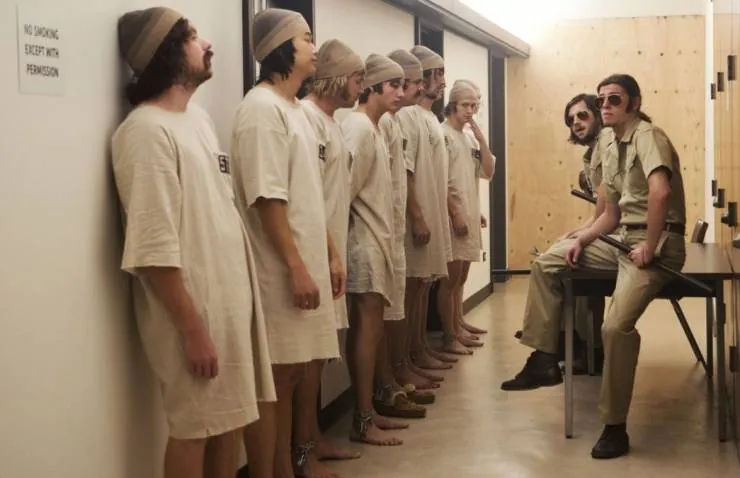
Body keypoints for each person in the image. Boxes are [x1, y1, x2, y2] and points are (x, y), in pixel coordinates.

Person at [111, 7, 274, 478]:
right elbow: (153, 247)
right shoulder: (145, 132)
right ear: (166, 52)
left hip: (228, 304)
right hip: (192, 313)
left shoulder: (197, 119)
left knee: (229, 422)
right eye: (193, 37)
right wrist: (192, 329)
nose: (206, 45)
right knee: (194, 428)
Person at [501, 74, 687, 460]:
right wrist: (583, 239)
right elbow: (611, 213)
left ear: (634, 102)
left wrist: (649, 246)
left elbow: (660, 192)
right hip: (621, 239)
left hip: (655, 244)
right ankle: (545, 357)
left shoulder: (648, 135)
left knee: (615, 327)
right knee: (549, 262)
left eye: (614, 99)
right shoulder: (612, 144)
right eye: (601, 100)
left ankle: (614, 427)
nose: (605, 106)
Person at [230, 8, 342, 477]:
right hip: (277, 269)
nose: (315, 48)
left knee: (294, 373)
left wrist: (330, 254)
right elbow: (267, 198)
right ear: (280, 47)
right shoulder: (261, 110)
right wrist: (296, 267)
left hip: (303, 261)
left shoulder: (294, 109)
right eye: (306, 38)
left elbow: (308, 195)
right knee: (274, 380)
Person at [298, 38, 366, 477]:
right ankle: (302, 448)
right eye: (357, 78)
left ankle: (314, 437)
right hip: (313, 255)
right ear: (337, 78)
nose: (362, 86)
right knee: (307, 358)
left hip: (331, 254)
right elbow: (304, 198)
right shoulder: (306, 119)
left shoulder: (332, 123)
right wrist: (325, 252)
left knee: (320, 355)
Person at [513, 93, 612, 373]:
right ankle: (584, 346)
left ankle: (546, 347)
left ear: (597, 115)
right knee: (569, 255)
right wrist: (576, 232)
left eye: (582, 115)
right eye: (571, 120)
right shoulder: (593, 152)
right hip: (615, 231)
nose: (576, 123)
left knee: (547, 264)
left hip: (625, 238)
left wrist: (582, 235)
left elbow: (609, 212)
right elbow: (602, 212)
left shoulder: (607, 145)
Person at [340, 53, 406, 446]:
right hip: (363, 243)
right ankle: (362, 419)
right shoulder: (358, 129)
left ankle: (369, 411)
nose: (400, 93)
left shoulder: (376, 129)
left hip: (377, 240)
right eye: (393, 85)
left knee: (374, 328)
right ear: (373, 87)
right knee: (366, 328)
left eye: (402, 85)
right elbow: (343, 192)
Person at [371, 49, 434, 420]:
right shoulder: (368, 126)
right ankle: (383, 387)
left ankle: (396, 374)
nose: (409, 90)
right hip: (375, 236)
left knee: (400, 304)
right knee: (379, 317)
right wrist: (416, 216)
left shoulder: (393, 122)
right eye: (399, 84)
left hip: (390, 232)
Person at [396, 46, 452, 381]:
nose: (442, 80)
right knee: (411, 288)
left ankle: (418, 349)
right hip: (415, 218)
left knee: (422, 287)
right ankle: (404, 358)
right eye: (437, 73)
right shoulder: (405, 116)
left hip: (431, 213)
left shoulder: (429, 118)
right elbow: (406, 171)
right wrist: (417, 215)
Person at [437, 80, 495, 356]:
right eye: (465, 105)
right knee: (450, 280)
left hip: (469, 213)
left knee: (461, 277)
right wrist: (456, 212)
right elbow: (440, 181)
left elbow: (487, 172)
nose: (470, 111)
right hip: (452, 216)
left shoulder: (469, 138)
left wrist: (482, 141)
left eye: (474, 106)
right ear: (452, 105)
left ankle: (458, 324)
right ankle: (449, 335)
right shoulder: (443, 135)